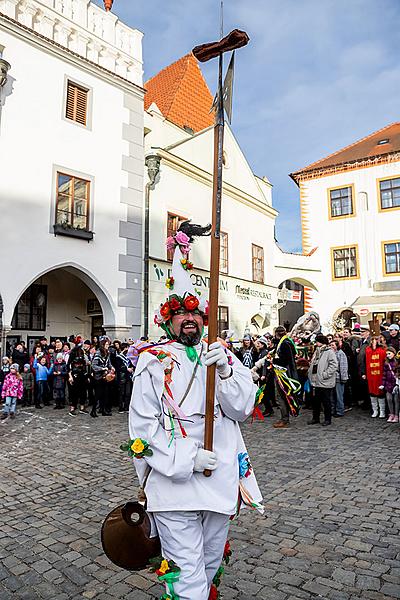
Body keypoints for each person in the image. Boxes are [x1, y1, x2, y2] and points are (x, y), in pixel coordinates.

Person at [129, 223, 263, 600]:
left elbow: (241, 408)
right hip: (177, 486)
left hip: (218, 483)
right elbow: (141, 431)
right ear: (168, 320)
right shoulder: (152, 361)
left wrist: (225, 372)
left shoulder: (223, 354)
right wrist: (186, 457)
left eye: (195, 315)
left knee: (207, 566)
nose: (189, 320)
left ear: (204, 319)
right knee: (186, 575)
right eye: (180, 315)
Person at [272, 326, 299, 429]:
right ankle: (284, 417)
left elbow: (285, 360)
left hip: (283, 374)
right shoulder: (286, 342)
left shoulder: (285, 344)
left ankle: (285, 419)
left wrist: (273, 361)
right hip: (283, 372)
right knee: (282, 396)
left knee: (282, 396)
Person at [308, 334, 338, 426]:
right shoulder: (317, 351)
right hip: (316, 381)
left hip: (325, 381)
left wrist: (325, 374)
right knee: (316, 401)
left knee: (326, 402)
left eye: (317, 341)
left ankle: (327, 419)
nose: (316, 343)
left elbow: (333, 365)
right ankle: (315, 418)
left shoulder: (329, 352)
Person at [364, 336, 386, 418]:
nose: (374, 341)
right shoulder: (368, 350)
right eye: (372, 339)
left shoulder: (383, 350)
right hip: (371, 375)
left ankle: (382, 411)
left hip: (380, 375)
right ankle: (375, 410)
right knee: (372, 392)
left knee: (380, 393)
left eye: (375, 339)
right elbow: (364, 361)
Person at [91, 336, 114, 417]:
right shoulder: (98, 353)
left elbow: (109, 363)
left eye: (108, 344)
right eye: (106, 344)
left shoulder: (107, 353)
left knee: (105, 394)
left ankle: (104, 410)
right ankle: (93, 410)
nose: (108, 346)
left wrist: (112, 368)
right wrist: (103, 368)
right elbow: (94, 366)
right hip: (98, 377)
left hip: (105, 376)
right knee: (98, 394)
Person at [67, 342, 88, 417]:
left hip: (82, 374)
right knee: (74, 392)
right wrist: (70, 376)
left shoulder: (82, 353)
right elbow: (68, 365)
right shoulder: (72, 353)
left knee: (83, 391)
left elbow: (84, 364)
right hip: (74, 374)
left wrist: (86, 375)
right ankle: (72, 408)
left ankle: (82, 407)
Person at [113, 342, 133, 413]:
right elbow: (118, 367)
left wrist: (131, 368)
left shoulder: (129, 357)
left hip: (128, 377)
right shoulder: (119, 357)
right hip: (122, 376)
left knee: (128, 392)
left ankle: (126, 407)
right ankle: (121, 407)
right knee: (121, 392)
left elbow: (131, 364)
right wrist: (126, 369)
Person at [330, 340, 348, 417]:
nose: (331, 347)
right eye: (330, 345)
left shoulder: (341, 354)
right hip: (331, 378)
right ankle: (333, 410)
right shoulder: (330, 354)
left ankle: (340, 411)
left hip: (338, 377)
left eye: (333, 345)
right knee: (332, 396)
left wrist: (343, 378)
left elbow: (343, 367)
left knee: (339, 395)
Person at [380, 346, 398, 423]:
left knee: (396, 400)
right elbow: (384, 375)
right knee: (389, 399)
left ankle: (396, 415)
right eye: (387, 354)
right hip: (388, 384)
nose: (388, 355)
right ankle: (391, 414)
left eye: (389, 353)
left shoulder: (397, 362)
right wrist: (383, 384)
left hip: (396, 384)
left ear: (393, 353)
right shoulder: (386, 363)